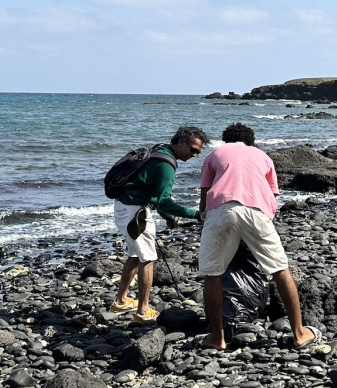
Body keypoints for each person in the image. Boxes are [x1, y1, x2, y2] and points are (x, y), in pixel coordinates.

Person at [197, 123, 320, 349]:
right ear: (250, 141)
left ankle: (217, 338)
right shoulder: (263, 156)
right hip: (256, 212)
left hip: (221, 210)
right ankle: (300, 333)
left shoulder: (215, 155)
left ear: (226, 140)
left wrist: (203, 217)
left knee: (212, 275)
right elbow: (272, 194)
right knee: (280, 270)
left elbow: (205, 194)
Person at [111, 126, 210, 322]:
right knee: (148, 258)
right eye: (193, 150)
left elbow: (153, 195)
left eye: (198, 152)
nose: (195, 155)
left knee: (134, 254)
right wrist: (195, 214)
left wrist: (168, 216)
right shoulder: (167, 164)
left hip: (124, 205)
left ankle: (121, 301)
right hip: (134, 212)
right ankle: (143, 312)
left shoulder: (159, 150)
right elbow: (165, 201)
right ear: (180, 142)